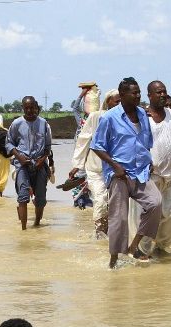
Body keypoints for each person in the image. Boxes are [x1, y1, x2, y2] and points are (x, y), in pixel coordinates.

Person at [91, 78, 161, 267]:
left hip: (140, 172)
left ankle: (134, 245)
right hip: (119, 175)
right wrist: (114, 166)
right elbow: (96, 146)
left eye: (139, 92)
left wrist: (149, 161)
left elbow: (146, 143)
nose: (138, 96)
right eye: (134, 93)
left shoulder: (143, 115)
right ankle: (113, 260)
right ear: (122, 96)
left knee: (155, 203)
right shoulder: (109, 118)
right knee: (119, 218)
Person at [133, 80, 171, 256]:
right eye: (158, 92)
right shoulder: (142, 116)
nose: (162, 95)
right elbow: (133, 143)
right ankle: (141, 251)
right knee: (148, 215)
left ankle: (162, 248)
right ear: (149, 95)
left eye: (164, 92)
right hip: (149, 177)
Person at [70, 89, 121, 238]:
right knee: (100, 199)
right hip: (95, 168)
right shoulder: (96, 117)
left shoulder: (125, 119)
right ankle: (99, 233)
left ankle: (110, 234)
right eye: (116, 101)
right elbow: (83, 140)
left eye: (120, 101)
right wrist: (77, 165)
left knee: (114, 203)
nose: (118, 104)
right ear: (108, 102)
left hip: (116, 170)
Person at [7, 96, 53, 230]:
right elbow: (9, 143)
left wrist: (42, 159)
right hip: (22, 165)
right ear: (23, 108)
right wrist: (19, 157)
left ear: (36, 108)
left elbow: (48, 146)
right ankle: (23, 229)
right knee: (23, 197)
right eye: (26, 108)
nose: (29, 110)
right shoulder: (16, 124)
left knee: (40, 198)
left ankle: (37, 224)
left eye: (32, 107)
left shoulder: (44, 123)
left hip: (39, 165)